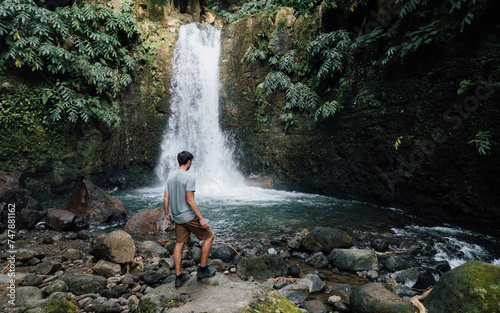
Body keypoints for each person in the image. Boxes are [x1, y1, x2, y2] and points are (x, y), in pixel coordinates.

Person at [163, 151, 216, 288]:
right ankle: (203, 270)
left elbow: (165, 198)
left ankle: (179, 276)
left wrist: (167, 215)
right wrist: (201, 218)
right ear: (188, 162)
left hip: (177, 217)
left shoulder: (171, 177)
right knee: (209, 236)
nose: (191, 164)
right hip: (188, 216)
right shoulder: (190, 177)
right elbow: (190, 200)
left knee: (179, 244)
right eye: (191, 162)